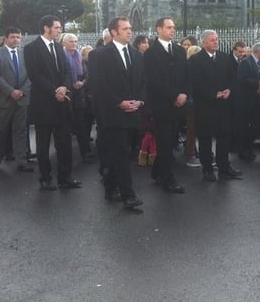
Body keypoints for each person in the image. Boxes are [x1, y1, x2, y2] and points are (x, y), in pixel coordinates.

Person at [88, 16, 145, 209]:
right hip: (112, 113)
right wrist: (119, 102)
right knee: (120, 152)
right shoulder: (99, 55)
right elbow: (97, 85)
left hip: (133, 111)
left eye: (130, 28)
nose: (130, 31)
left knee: (122, 152)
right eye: (125, 28)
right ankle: (128, 194)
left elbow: (143, 81)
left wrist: (140, 101)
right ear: (114, 32)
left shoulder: (136, 54)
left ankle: (109, 186)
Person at [24, 15, 80, 191]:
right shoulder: (31, 49)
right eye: (56, 27)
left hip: (62, 102)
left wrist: (64, 87)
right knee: (43, 144)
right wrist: (55, 91)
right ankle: (45, 178)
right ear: (46, 28)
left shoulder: (58, 47)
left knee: (64, 142)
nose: (59, 30)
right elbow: (35, 75)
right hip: (44, 104)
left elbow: (66, 71)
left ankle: (65, 177)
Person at [189, 29, 243, 182]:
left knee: (224, 137)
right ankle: (207, 169)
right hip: (205, 106)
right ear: (204, 42)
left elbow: (233, 78)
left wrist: (229, 90)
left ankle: (224, 167)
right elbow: (195, 83)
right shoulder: (195, 60)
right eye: (212, 40)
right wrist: (213, 94)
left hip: (223, 106)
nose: (216, 42)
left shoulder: (224, 58)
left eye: (216, 39)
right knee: (205, 138)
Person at [143, 16, 187, 193]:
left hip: (179, 104)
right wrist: (174, 95)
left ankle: (157, 172)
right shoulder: (150, 53)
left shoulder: (179, 50)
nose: (172, 30)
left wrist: (184, 93)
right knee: (165, 143)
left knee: (170, 141)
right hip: (161, 105)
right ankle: (168, 179)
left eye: (173, 27)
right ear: (159, 29)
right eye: (169, 27)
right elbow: (154, 80)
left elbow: (186, 75)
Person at [0, 27, 34, 173]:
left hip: (22, 99)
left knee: (20, 131)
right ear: (6, 38)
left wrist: (22, 91)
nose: (16, 40)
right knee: (0, 131)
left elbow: (30, 75)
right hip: (3, 100)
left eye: (18, 37)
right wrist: (11, 91)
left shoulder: (25, 54)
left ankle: (22, 161)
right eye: (13, 37)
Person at [62, 33, 95, 164]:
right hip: (67, 94)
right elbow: (62, 74)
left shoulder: (79, 57)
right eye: (71, 41)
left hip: (80, 95)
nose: (74, 44)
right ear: (64, 43)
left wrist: (82, 83)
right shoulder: (61, 57)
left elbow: (87, 74)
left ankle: (85, 152)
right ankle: (66, 156)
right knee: (66, 126)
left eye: (75, 41)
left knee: (81, 125)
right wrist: (71, 84)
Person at [233, 41, 260, 163]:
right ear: (259, 52)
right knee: (243, 128)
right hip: (244, 101)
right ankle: (243, 151)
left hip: (255, 100)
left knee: (254, 126)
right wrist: (258, 83)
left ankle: (248, 148)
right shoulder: (246, 62)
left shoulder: (259, 63)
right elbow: (242, 80)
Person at [183, 45, 202, 167]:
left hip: (191, 102)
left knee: (193, 129)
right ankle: (191, 154)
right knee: (192, 129)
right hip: (192, 103)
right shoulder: (191, 67)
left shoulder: (188, 66)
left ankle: (193, 153)